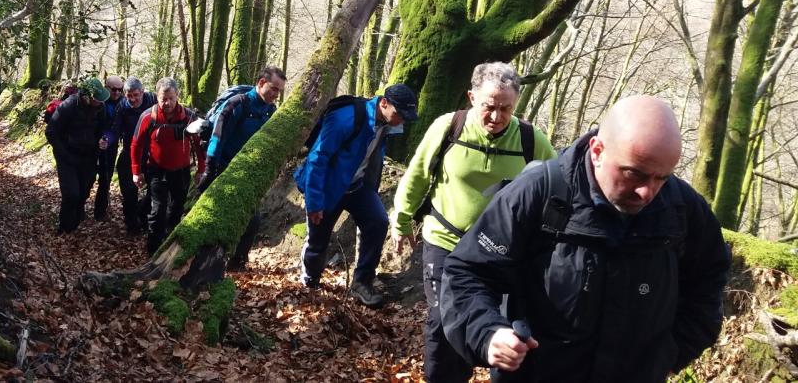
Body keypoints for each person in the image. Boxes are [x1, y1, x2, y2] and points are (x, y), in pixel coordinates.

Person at [439, 95, 731, 383]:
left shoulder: (683, 209)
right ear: (598, 150)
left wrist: (671, 354)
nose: (647, 192)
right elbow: (467, 272)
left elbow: (709, 280)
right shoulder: (539, 193)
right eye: (634, 174)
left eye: (662, 178)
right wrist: (488, 333)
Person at [390, 62, 555, 383]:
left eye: (506, 109)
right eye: (489, 107)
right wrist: (402, 219)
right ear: (471, 97)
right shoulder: (448, 127)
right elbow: (417, 175)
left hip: (501, 253)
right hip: (445, 242)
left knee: (501, 324)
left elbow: (557, 185)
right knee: (444, 320)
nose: (496, 117)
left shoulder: (529, 140)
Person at [293, 83, 419, 307]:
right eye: (400, 114)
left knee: (378, 222)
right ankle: (310, 283)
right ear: (384, 103)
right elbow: (317, 159)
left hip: (358, 187)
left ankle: (362, 282)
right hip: (329, 187)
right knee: (318, 240)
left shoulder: (387, 124)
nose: (403, 121)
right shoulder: (346, 118)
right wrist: (314, 202)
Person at [195, 66, 286, 269]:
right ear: (261, 83)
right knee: (217, 218)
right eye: (273, 89)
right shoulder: (237, 104)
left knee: (252, 221)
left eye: (279, 91)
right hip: (223, 169)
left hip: (246, 173)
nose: (275, 95)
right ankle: (203, 262)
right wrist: (209, 170)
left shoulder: (270, 112)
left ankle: (238, 262)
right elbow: (217, 137)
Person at [130, 77, 197, 255]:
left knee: (176, 211)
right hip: (157, 170)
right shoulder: (147, 116)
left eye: (171, 99)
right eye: (163, 99)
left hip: (181, 172)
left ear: (177, 96)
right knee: (157, 212)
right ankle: (152, 252)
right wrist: (136, 171)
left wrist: (202, 169)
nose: (167, 103)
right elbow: (136, 144)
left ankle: (169, 250)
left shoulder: (189, 117)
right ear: (156, 97)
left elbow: (199, 144)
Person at [45, 77, 110, 234]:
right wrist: (64, 155)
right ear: (86, 97)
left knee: (83, 193)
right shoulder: (68, 106)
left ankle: (73, 224)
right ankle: (64, 227)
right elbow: (51, 132)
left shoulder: (100, 108)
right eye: (96, 99)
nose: (100, 102)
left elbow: (104, 129)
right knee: (71, 194)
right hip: (67, 156)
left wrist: (103, 139)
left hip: (88, 157)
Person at [107, 77, 156, 234]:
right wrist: (106, 139)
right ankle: (131, 224)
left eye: (136, 95)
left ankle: (142, 212)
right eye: (129, 96)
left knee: (156, 189)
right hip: (129, 153)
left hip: (151, 154)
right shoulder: (122, 106)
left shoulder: (153, 100)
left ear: (142, 92)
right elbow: (115, 129)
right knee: (129, 193)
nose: (133, 99)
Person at [93, 75, 125, 221]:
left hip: (110, 147)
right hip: (92, 145)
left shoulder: (124, 103)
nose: (117, 92)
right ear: (107, 88)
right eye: (114, 89)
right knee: (87, 177)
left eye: (120, 89)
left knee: (106, 180)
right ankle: (78, 207)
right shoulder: (98, 102)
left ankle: (100, 211)